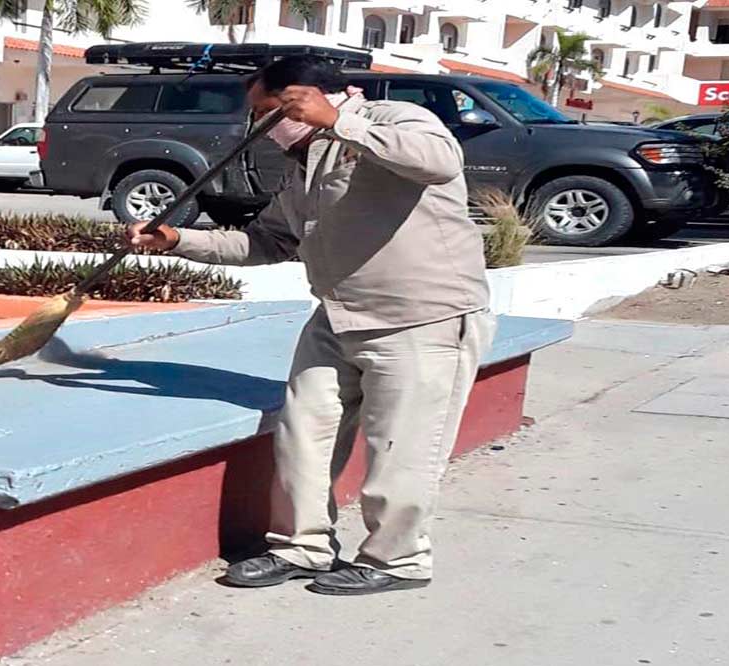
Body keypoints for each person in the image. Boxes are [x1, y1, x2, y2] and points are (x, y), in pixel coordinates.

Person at [126, 55, 495, 596]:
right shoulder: (304, 165)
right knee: (305, 432)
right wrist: (180, 241)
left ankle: (398, 559)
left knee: (402, 449)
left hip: (421, 317)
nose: (257, 127)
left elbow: (438, 161)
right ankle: (302, 547)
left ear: (302, 99)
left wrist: (338, 121)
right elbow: (269, 240)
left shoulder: (396, 120)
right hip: (339, 314)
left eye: (265, 111)